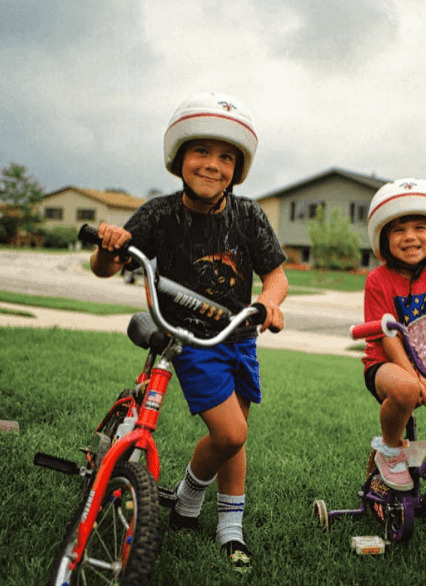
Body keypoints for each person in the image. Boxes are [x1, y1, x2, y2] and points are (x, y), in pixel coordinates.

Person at [89, 91, 288, 572]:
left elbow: (277, 274)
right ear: (179, 157)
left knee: (233, 440)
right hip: (190, 337)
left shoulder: (248, 216)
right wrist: (109, 247)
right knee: (231, 432)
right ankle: (191, 497)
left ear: (237, 170)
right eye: (201, 152)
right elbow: (107, 267)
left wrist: (270, 302)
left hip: (239, 336)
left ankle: (226, 525)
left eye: (226, 157)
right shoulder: (159, 214)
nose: (212, 165)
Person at [362, 178, 426, 491]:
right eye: (398, 229)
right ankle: (390, 452)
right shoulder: (378, 280)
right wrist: (416, 378)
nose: (410, 237)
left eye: (420, 227)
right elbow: (386, 336)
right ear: (384, 237)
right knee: (405, 389)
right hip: (386, 364)